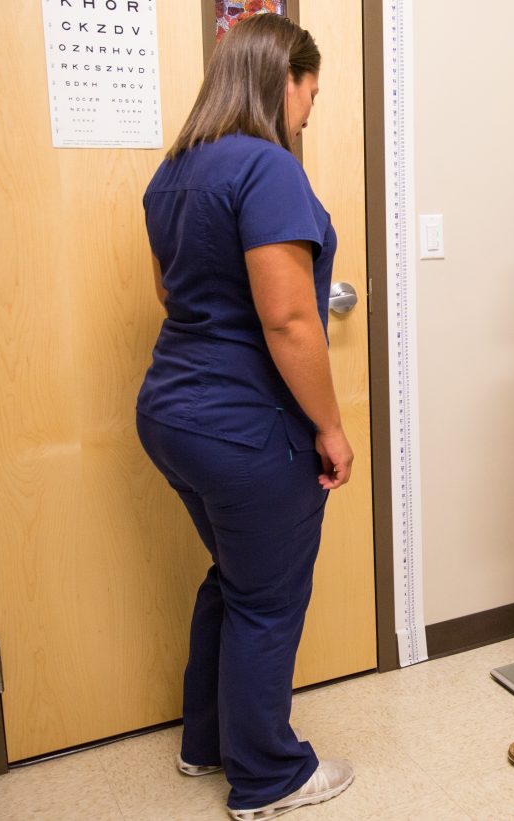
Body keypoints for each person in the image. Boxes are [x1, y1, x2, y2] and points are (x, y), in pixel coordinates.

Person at [134, 13, 354, 819]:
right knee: (267, 598)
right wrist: (330, 427)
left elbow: (171, 292)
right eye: (310, 92)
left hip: (171, 414)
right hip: (245, 426)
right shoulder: (269, 168)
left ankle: (205, 741)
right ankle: (268, 777)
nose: (310, 111)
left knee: (234, 579)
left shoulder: (174, 173)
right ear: (280, 80)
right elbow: (290, 321)